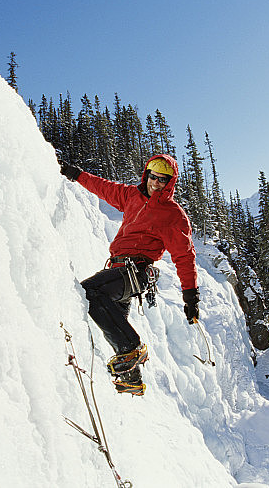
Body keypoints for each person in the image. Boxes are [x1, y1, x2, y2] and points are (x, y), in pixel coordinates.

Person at [60, 154, 200, 396]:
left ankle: (132, 347)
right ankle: (131, 378)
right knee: (114, 326)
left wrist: (190, 296)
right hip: (118, 271)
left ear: (170, 183)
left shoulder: (172, 214)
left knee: (90, 292)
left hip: (135, 272)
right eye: (153, 177)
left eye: (162, 180)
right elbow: (103, 187)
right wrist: (77, 175)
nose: (155, 183)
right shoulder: (131, 196)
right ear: (146, 175)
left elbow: (184, 256)